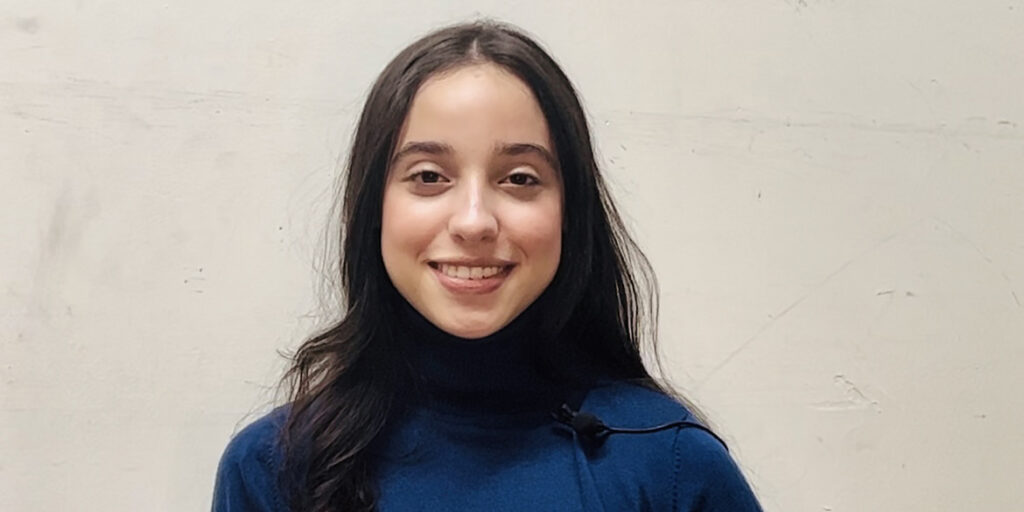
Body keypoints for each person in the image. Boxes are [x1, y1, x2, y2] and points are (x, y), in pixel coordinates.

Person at [212, 19, 762, 512]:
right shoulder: (274, 469)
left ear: (571, 214)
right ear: (374, 210)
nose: (474, 221)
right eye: (429, 176)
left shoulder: (671, 466)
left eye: (519, 178)